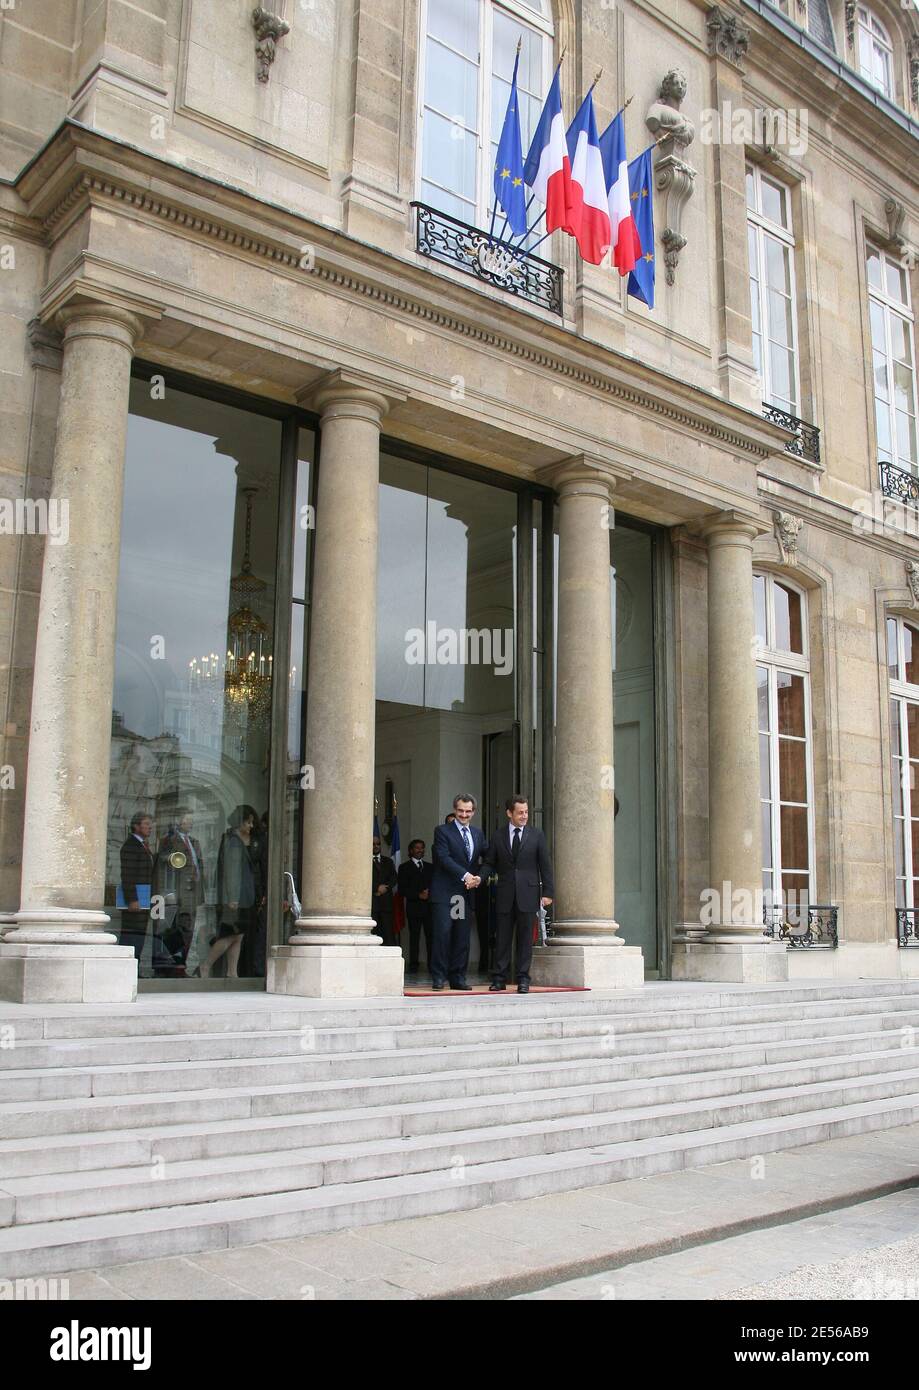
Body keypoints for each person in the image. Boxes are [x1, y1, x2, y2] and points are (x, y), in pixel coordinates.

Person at [482, 794, 554, 994]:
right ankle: (499, 978)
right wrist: (479, 878)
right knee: (502, 938)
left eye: (526, 812)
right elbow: (489, 863)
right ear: (509, 813)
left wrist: (548, 892)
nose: (524, 816)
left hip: (528, 894)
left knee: (524, 940)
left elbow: (545, 865)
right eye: (520, 812)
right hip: (505, 894)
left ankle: (523, 979)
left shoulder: (537, 835)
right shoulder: (498, 836)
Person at [429, 795, 486, 991]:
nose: (464, 814)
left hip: (463, 895)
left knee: (461, 936)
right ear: (455, 809)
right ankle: (438, 977)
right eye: (460, 810)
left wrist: (480, 878)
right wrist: (466, 875)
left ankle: (457, 978)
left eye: (468, 811)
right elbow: (443, 858)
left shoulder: (478, 834)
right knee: (443, 934)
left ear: (473, 812)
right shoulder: (442, 831)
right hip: (446, 893)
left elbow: (486, 859)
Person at [200, 805, 262, 979]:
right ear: (239, 822)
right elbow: (232, 871)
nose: (251, 826)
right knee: (230, 935)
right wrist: (233, 898)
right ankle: (206, 966)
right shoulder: (233, 841)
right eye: (248, 822)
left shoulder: (232, 839)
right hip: (237, 898)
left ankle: (232, 972)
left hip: (240, 898)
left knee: (238, 935)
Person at [119, 812, 180, 978]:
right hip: (137, 898)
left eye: (150, 824)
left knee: (139, 935)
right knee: (132, 935)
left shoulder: (144, 845)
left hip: (145, 897)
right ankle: (127, 971)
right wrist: (132, 899)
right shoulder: (131, 845)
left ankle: (134, 970)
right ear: (136, 826)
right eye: (146, 824)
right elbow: (128, 875)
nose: (150, 827)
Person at [157, 809, 205, 965]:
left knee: (189, 929)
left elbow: (199, 865)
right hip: (177, 891)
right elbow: (162, 859)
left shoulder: (194, 841)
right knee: (175, 928)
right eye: (187, 819)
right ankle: (170, 964)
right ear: (179, 821)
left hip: (193, 890)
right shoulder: (169, 840)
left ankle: (181, 964)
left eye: (191, 820)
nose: (190, 823)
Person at [397, 839, 433, 975]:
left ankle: (432, 965)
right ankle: (413, 966)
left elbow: (435, 884)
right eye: (417, 848)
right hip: (414, 908)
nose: (420, 850)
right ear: (411, 850)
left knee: (431, 938)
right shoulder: (404, 867)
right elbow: (402, 890)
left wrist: (430, 893)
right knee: (414, 938)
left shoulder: (430, 867)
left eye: (422, 848)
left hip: (429, 909)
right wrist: (418, 895)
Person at [371, 834, 398, 946]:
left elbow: (394, 877)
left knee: (388, 934)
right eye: (373, 844)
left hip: (386, 903)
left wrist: (385, 887)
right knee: (373, 933)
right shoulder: (363, 862)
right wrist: (376, 887)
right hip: (372, 904)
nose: (376, 846)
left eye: (378, 844)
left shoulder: (388, 861)